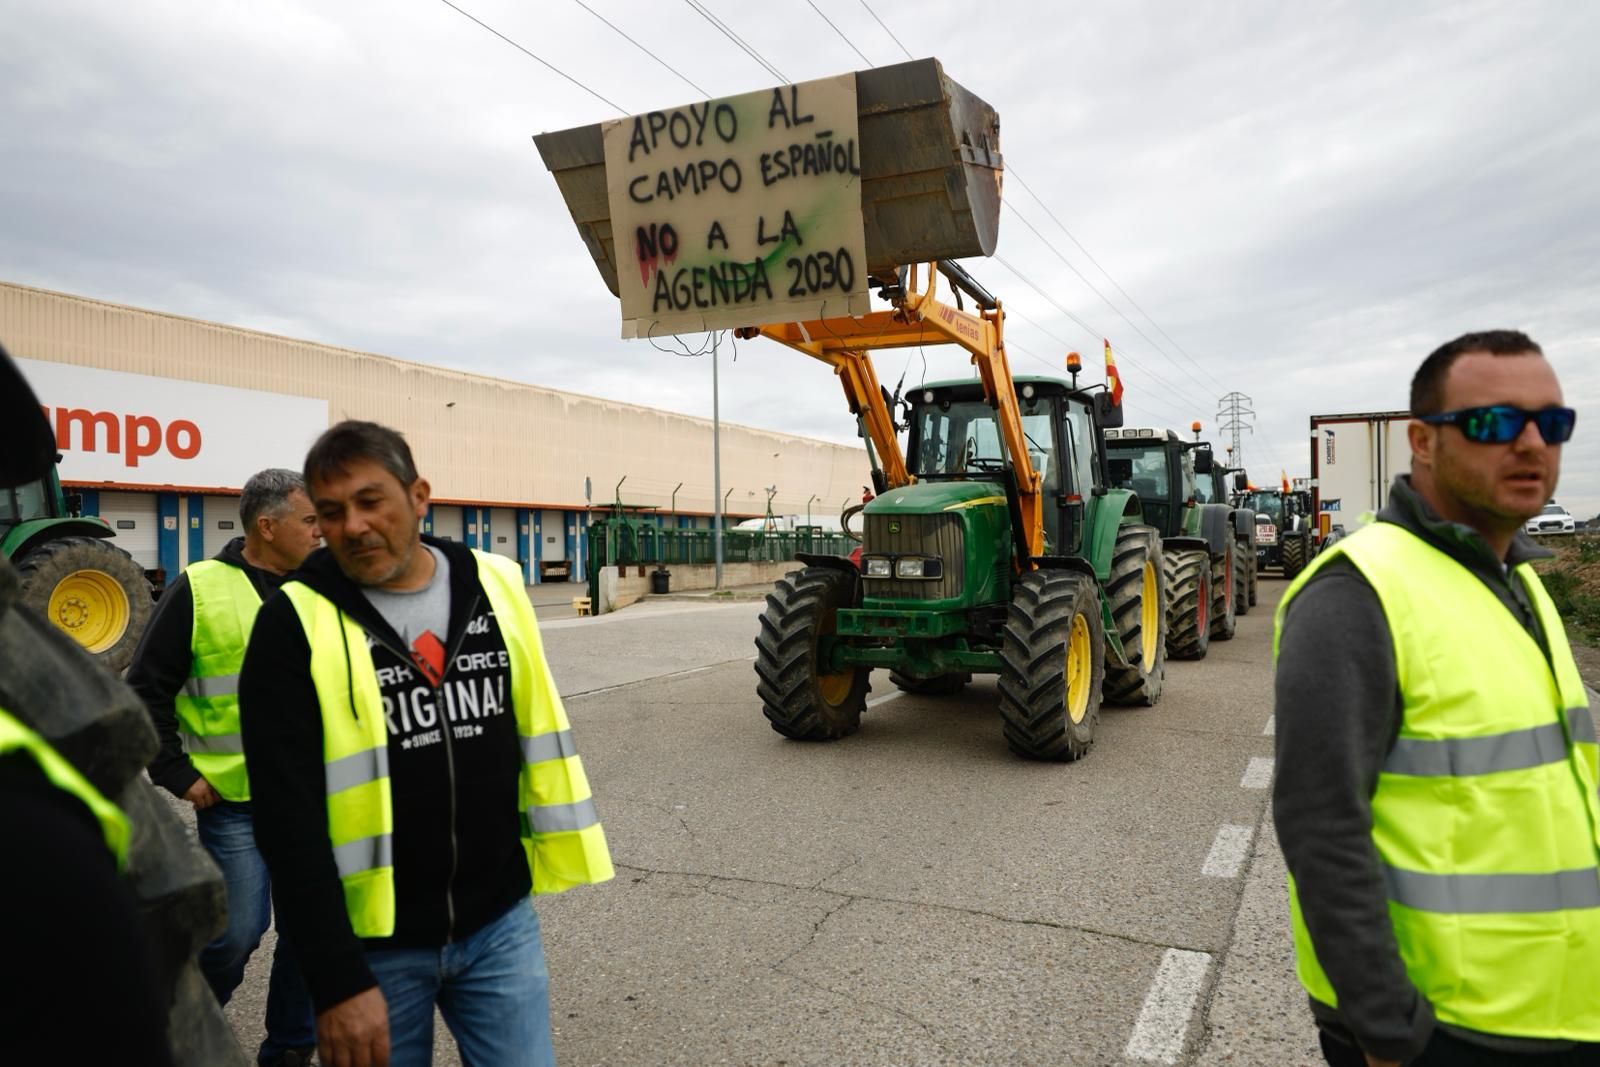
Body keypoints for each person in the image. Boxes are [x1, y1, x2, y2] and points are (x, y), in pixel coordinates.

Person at [239, 420, 613, 1067]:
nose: (351, 525)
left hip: (500, 924)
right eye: (330, 512)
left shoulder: (496, 584)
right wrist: (334, 979)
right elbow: (285, 823)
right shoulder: (292, 622)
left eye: (369, 500)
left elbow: (528, 730)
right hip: (374, 948)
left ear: (419, 496)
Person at [1273, 330, 1596, 1066]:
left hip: (1555, 1011)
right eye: (1493, 423)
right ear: (1422, 440)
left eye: (1554, 424)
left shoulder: (1523, 586)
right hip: (1451, 1029)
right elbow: (1321, 824)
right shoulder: (1356, 592)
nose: (1530, 444)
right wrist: (1388, 1033)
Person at [129, 467, 324, 1066]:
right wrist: (175, 772)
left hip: (318, 801)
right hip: (235, 802)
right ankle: (180, 1033)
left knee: (310, 937)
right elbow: (144, 689)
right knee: (234, 934)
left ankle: (290, 1049)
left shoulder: (329, 587)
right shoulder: (201, 587)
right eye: (311, 520)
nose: (323, 532)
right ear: (267, 526)